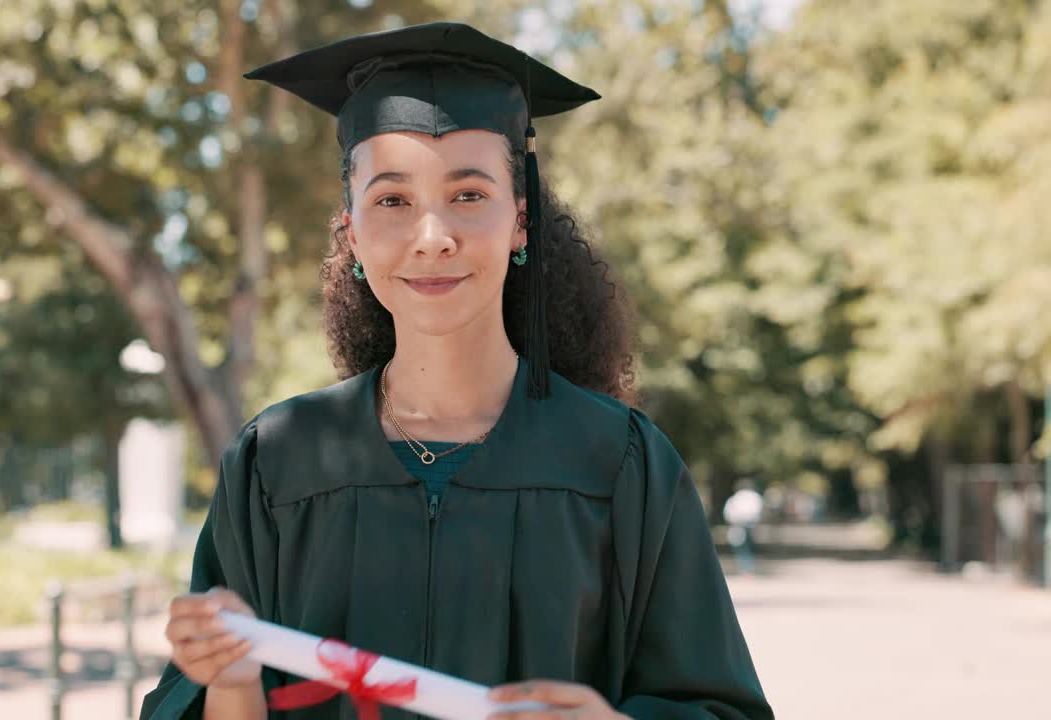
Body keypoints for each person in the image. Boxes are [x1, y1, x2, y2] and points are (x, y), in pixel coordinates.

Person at [143, 22, 772, 720]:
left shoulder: (619, 464)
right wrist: (229, 681)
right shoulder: (278, 463)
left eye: (469, 195)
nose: (433, 235)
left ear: (521, 220)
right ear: (352, 231)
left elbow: (720, 708)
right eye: (392, 200)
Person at [723, 480, 765, 576]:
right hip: (751, 523)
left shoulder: (735, 497)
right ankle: (749, 568)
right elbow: (758, 510)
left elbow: (728, 512)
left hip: (738, 524)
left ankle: (744, 569)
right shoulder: (755, 496)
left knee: (742, 548)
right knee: (749, 547)